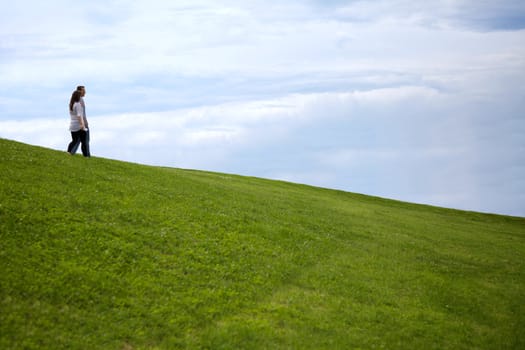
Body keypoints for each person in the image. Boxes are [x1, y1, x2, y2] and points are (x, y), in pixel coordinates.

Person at [67, 90, 90, 157]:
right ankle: (86, 156)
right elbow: (79, 116)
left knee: (74, 140)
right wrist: (82, 125)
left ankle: (68, 152)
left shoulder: (71, 104)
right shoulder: (78, 105)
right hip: (78, 126)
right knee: (84, 141)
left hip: (72, 125)